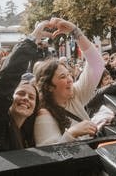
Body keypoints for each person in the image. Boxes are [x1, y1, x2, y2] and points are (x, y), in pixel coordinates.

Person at [0, 20, 51, 155]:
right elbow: (5, 82)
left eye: (32, 97)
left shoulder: (29, 134)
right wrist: (31, 40)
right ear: (10, 97)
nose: (26, 98)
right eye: (21, 93)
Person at [34, 18, 107, 146]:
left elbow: (97, 65)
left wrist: (75, 31)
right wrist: (72, 133)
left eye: (69, 74)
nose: (70, 79)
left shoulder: (74, 95)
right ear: (49, 87)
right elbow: (50, 157)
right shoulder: (44, 115)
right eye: (62, 77)